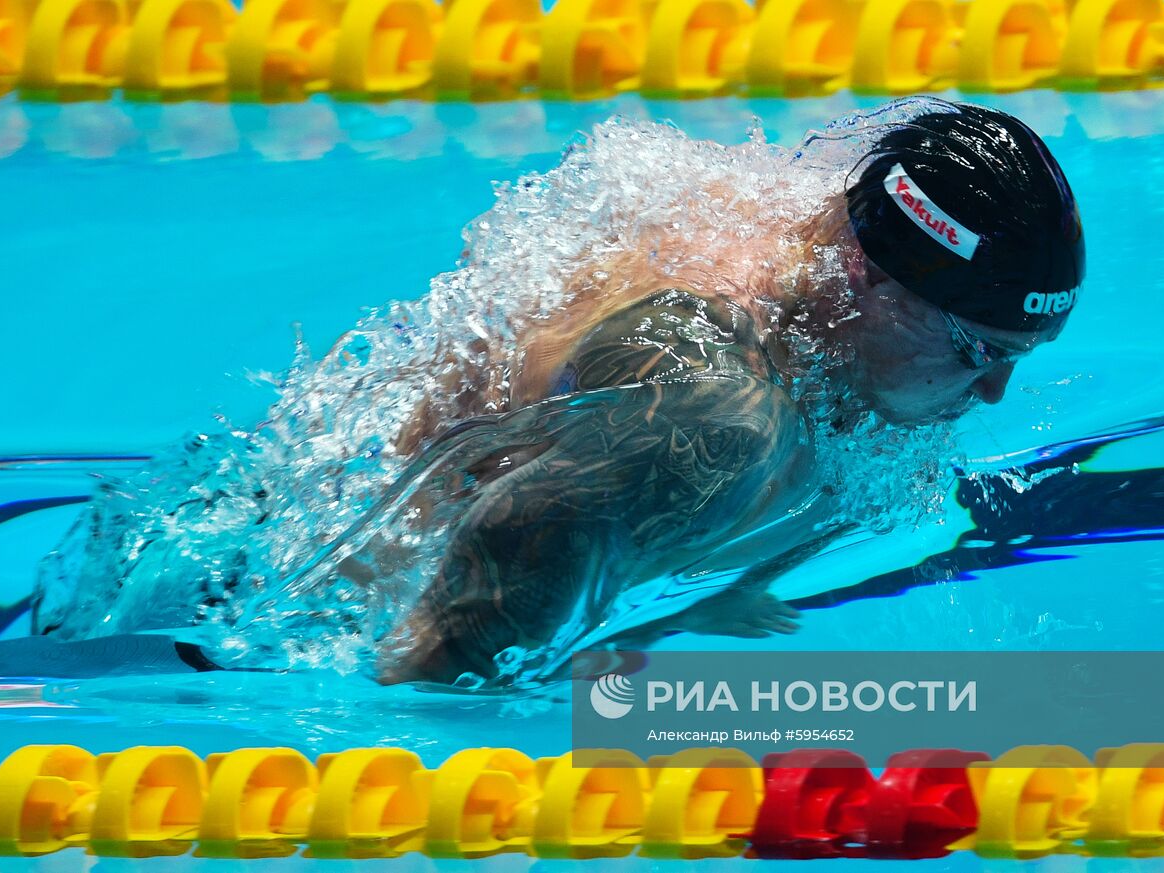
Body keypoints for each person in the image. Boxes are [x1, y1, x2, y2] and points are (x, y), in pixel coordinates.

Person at [375, 98, 1085, 686]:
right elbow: (433, 668)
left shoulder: (818, 249)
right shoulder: (711, 418)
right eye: (978, 349)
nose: (993, 391)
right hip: (370, 580)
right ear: (868, 277)